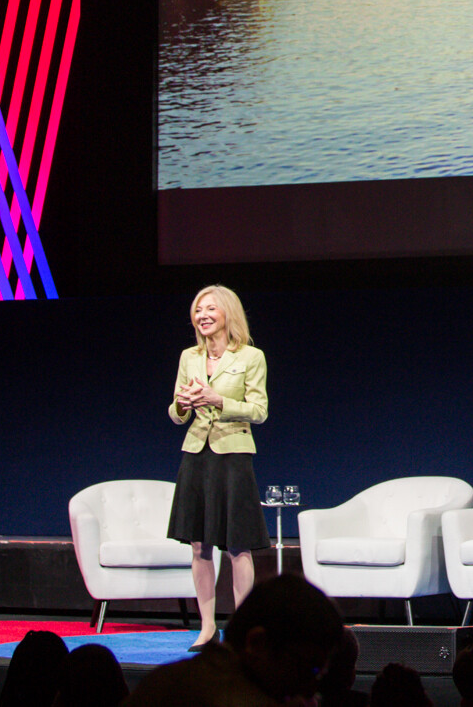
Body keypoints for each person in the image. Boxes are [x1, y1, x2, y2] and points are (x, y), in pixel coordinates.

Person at [168, 285, 273, 647]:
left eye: (210, 308)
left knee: (237, 546)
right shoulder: (189, 357)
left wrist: (218, 399)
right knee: (199, 545)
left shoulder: (250, 357)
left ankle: (243, 630)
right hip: (197, 453)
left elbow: (259, 411)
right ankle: (207, 626)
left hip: (233, 455)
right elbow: (175, 413)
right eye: (198, 310)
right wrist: (182, 404)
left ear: (227, 313)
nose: (203, 315)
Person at [124, 573, 344, 707]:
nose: (310, 689)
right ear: (256, 643)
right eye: (308, 670)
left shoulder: (166, 678)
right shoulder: (227, 699)